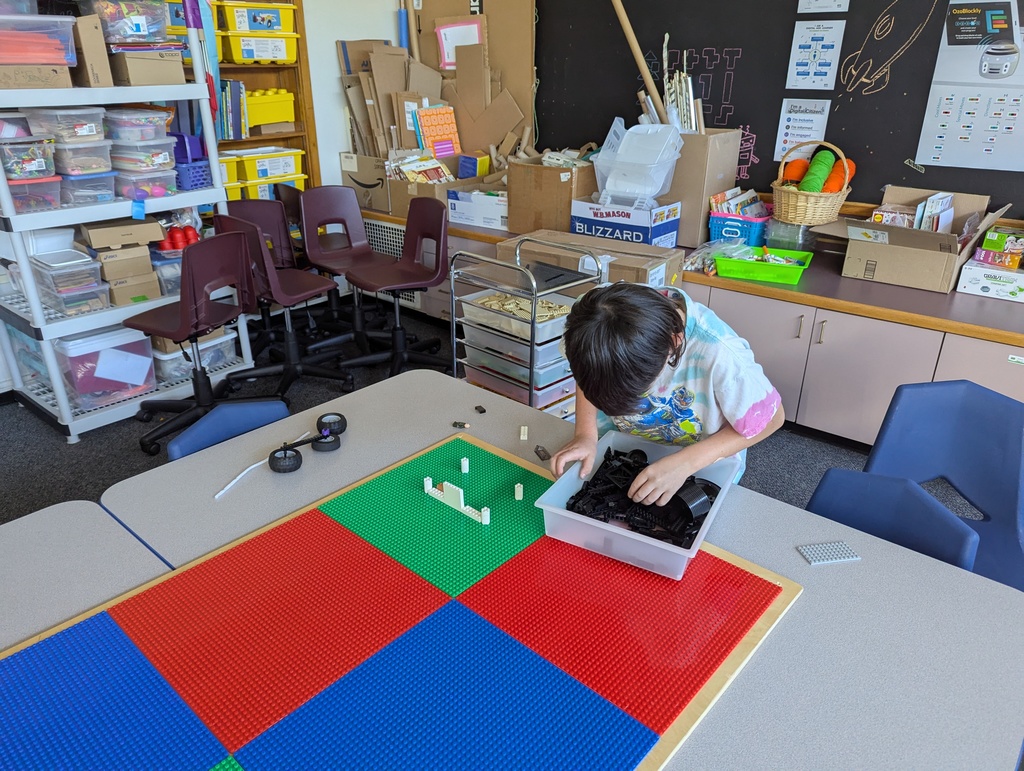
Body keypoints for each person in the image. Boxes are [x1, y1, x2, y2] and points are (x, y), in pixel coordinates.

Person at [550, 282, 784, 506]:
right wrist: (585, 434)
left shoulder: (722, 354)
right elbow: (585, 374)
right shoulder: (589, 321)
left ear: (674, 343)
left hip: (702, 464)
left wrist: (685, 463)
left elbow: (772, 419)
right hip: (625, 451)